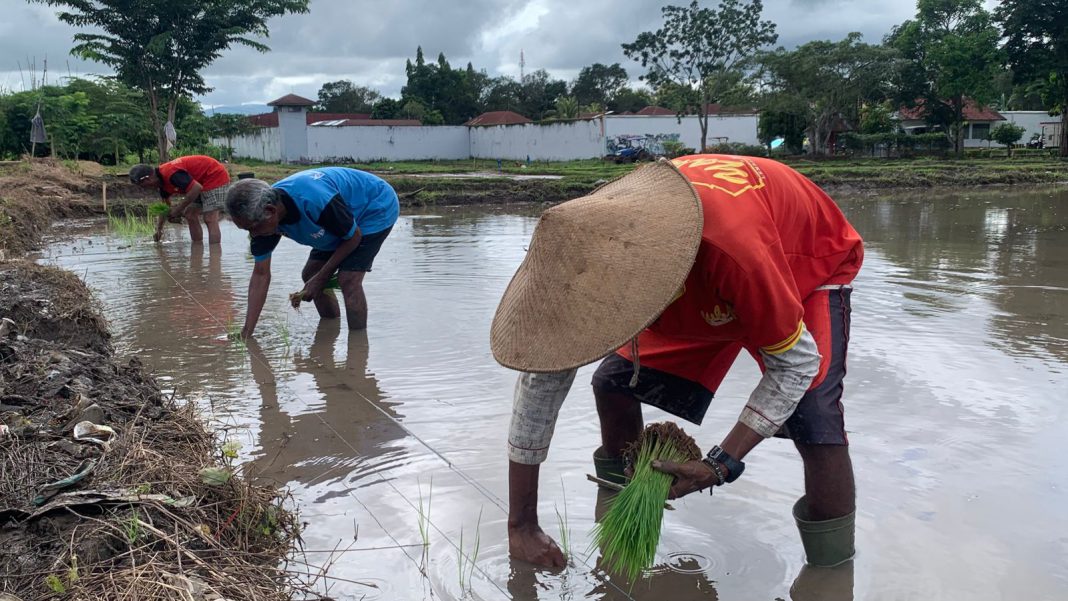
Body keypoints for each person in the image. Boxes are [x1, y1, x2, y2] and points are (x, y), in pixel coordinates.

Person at [491, 155, 864, 570]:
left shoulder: (733, 250)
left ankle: (830, 576)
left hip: (802, 266)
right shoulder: (586, 255)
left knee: (814, 421)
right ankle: (622, 538)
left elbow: (796, 366)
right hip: (701, 282)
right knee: (613, 384)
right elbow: (540, 383)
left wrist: (720, 464)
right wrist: (521, 525)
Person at [225, 167, 399, 337]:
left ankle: (358, 347)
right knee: (310, 274)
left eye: (253, 228)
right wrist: (246, 332)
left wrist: (322, 278)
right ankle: (331, 326)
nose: (253, 235)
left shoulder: (313, 199)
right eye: (246, 230)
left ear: (271, 211)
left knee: (348, 279)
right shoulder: (261, 219)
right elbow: (260, 275)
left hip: (374, 206)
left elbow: (353, 236)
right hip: (336, 220)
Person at [129, 155, 231, 244]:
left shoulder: (171, 173)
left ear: (147, 178)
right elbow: (165, 208)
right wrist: (159, 230)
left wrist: (178, 210)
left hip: (215, 176)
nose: (144, 189)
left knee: (210, 218)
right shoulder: (162, 185)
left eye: (142, 185)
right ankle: (197, 249)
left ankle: (215, 256)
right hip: (200, 182)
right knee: (190, 214)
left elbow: (196, 188)